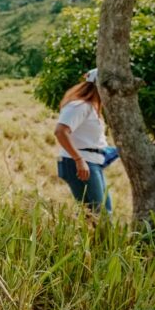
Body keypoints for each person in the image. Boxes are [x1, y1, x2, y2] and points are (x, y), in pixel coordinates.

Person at [53, 68, 112, 214]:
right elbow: (60, 131)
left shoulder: (93, 108)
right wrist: (79, 159)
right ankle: (95, 237)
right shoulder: (80, 106)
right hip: (81, 162)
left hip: (92, 162)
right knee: (97, 212)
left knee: (101, 211)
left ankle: (92, 237)